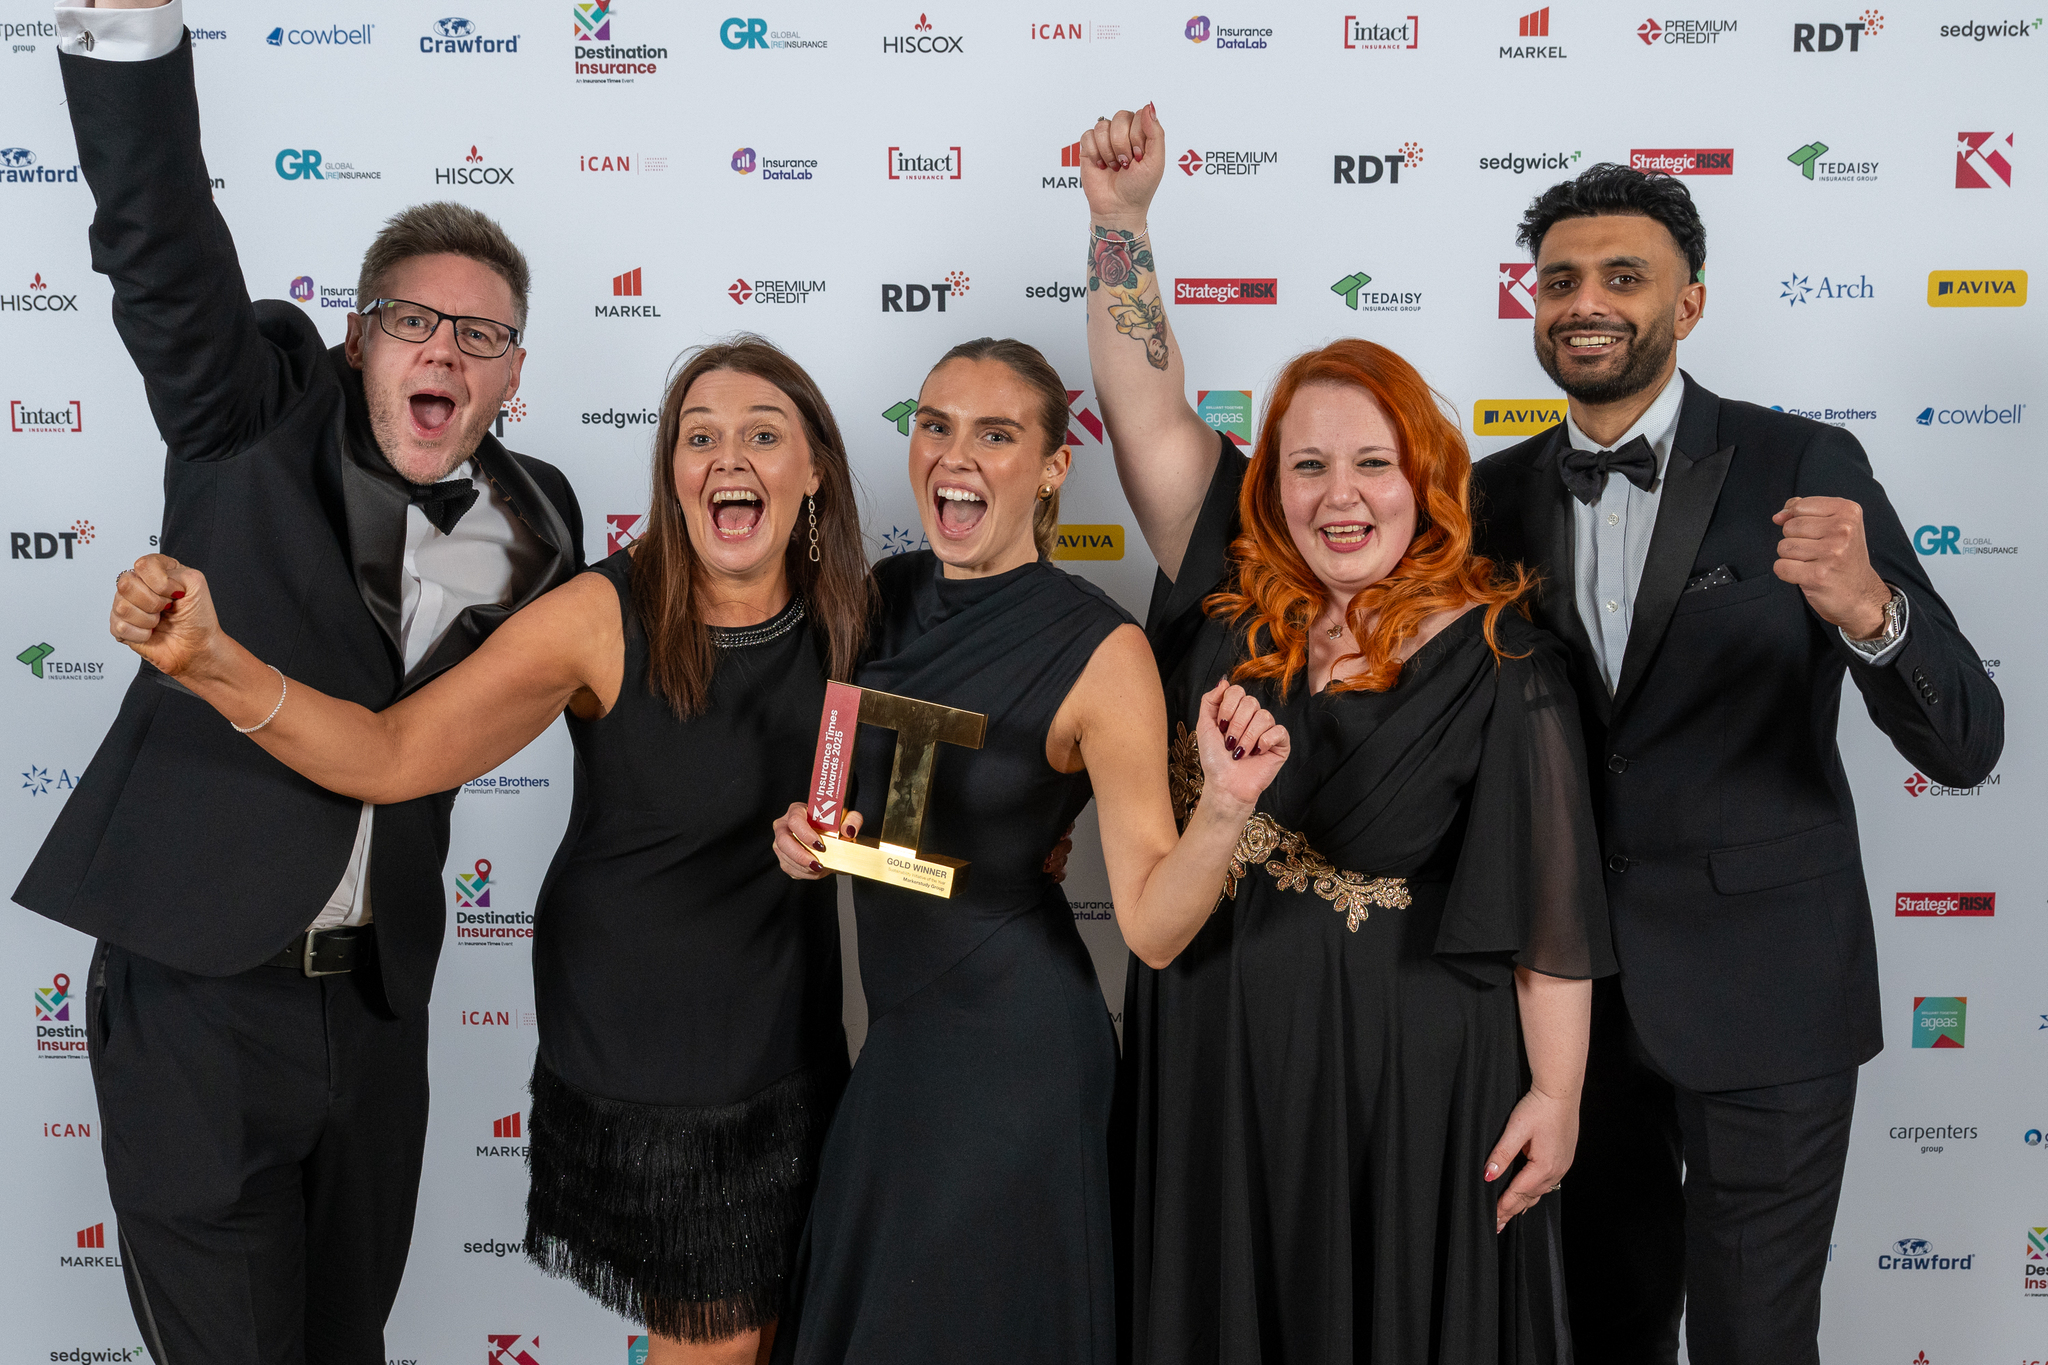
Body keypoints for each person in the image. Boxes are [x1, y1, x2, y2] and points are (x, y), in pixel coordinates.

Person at [106, 337, 868, 1364]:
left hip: (794, 1032)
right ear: (673, 471)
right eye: (700, 437)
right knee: (719, 1343)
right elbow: (389, 753)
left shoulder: (857, 611)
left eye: (762, 435)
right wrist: (212, 663)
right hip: (657, 1054)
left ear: (814, 469)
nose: (727, 458)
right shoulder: (600, 614)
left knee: (783, 1332)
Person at [12, 4, 585, 1360]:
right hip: (201, 995)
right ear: (356, 341)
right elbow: (162, 247)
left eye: (480, 335)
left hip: (376, 1012)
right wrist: (129, 41)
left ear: (514, 373)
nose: (443, 350)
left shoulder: (545, 525)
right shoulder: (246, 417)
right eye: (412, 321)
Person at [1077, 107, 1615, 1364]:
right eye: (1305, 465)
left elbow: (1549, 915)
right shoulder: (1223, 583)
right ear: (1266, 485)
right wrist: (1118, 224)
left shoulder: (1503, 660)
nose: (1339, 495)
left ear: (1424, 479)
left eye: (1371, 463)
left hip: (1407, 1089)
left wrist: (1556, 1094)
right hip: (1214, 1063)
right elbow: (1140, 408)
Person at [1468, 163, 2004, 1365]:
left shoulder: (1801, 462)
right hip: (1564, 1008)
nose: (1583, 302)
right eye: (1557, 280)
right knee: (1593, 1332)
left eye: (1621, 277)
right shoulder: (1483, 498)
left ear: (1689, 303)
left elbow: (1966, 741)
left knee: (1754, 1342)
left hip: (1769, 996)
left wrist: (1869, 613)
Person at [765, 336, 1294, 1363]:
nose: (954, 455)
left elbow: (1150, 927)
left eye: (996, 435)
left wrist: (1225, 810)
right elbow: (859, 806)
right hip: (901, 1043)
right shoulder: (881, 596)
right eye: (935, 425)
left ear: (1054, 467)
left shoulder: (1101, 648)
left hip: (1014, 1054)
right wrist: (808, 840)